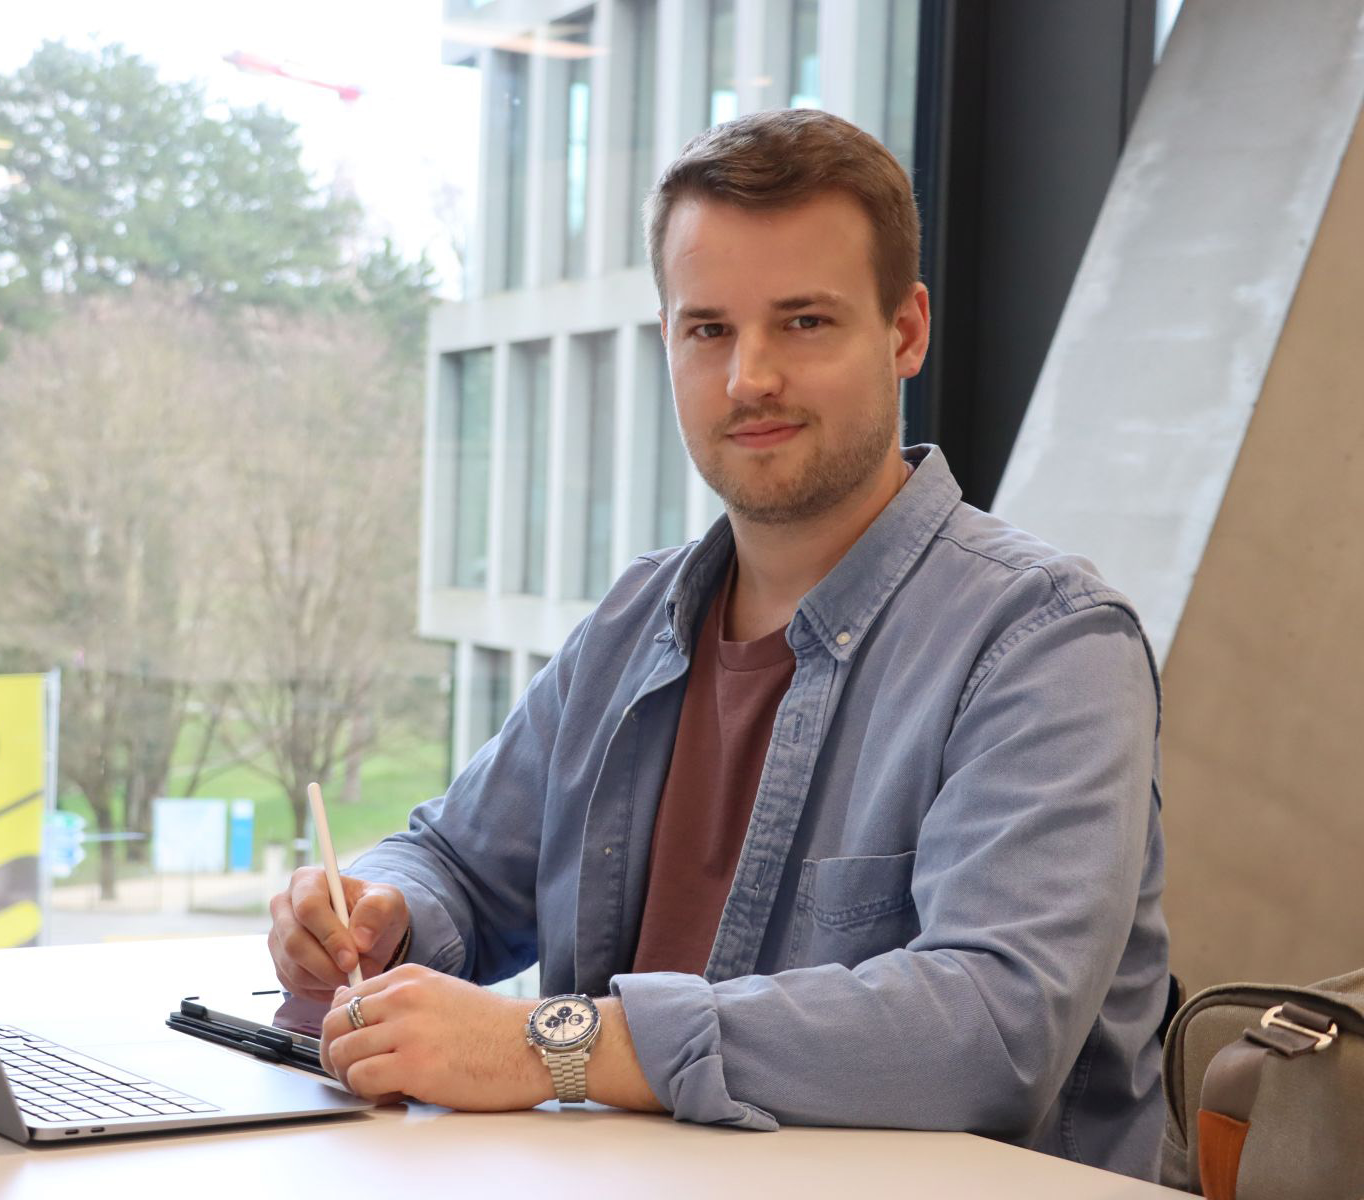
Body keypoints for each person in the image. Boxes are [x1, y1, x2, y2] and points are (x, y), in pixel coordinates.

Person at [268, 108, 1168, 1180]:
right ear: (669, 343)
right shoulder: (634, 618)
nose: (749, 379)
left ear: (906, 332)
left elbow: (991, 1027)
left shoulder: (1046, 642)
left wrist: (549, 1049)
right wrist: (375, 912)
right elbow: (457, 859)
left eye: (804, 323)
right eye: (709, 330)